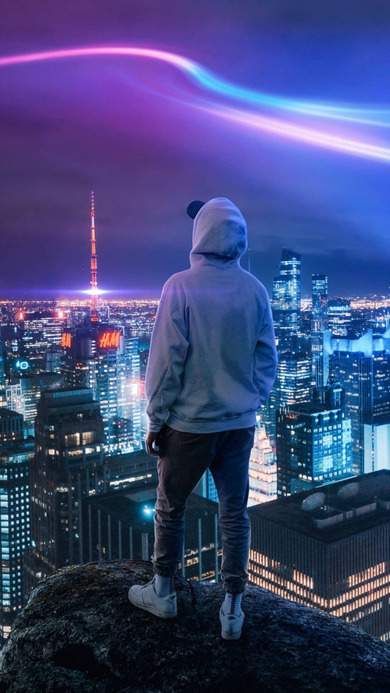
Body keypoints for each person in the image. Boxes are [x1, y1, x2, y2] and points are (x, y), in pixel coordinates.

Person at [128, 197, 277, 640]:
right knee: (235, 514)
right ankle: (231, 608)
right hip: (238, 424)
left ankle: (163, 591)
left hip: (190, 425)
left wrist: (156, 420)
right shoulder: (254, 290)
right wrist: (250, 401)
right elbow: (267, 359)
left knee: (171, 508)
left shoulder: (181, 286)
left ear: (200, 234)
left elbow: (165, 363)